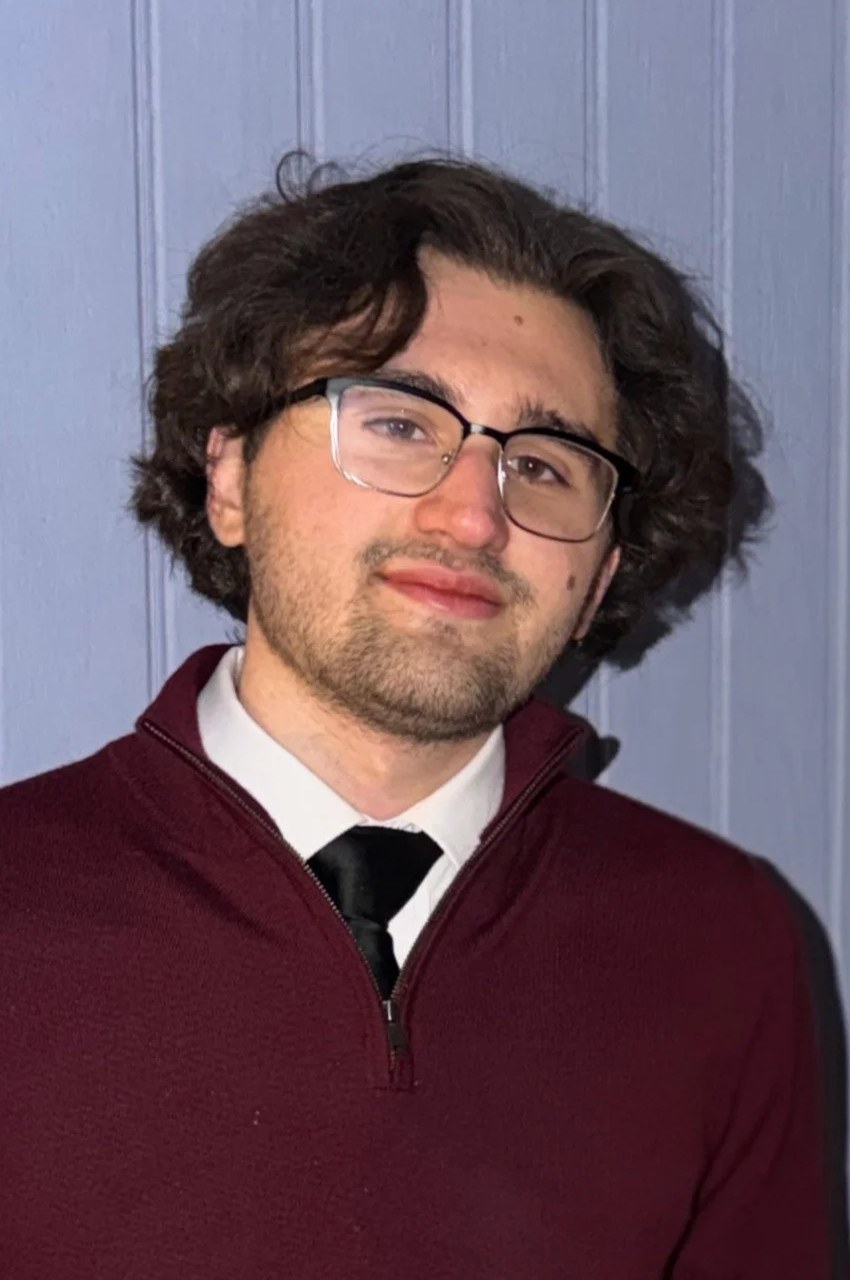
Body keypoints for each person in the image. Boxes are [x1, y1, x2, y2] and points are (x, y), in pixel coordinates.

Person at [0, 155, 829, 1278]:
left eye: (546, 462)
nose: (473, 511)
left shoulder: (727, 946)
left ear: (599, 572)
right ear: (231, 473)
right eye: (397, 421)